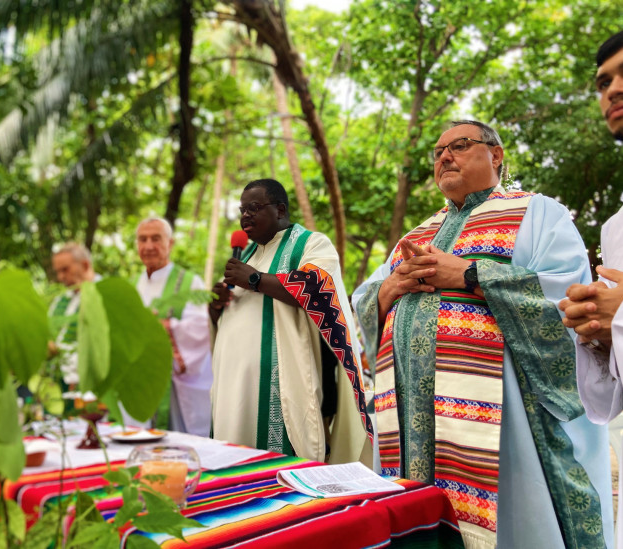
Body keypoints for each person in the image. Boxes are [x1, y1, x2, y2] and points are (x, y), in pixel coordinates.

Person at [352, 121, 613, 549]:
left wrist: (472, 273)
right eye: (437, 152)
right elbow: (364, 302)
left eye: (459, 145)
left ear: (496, 155)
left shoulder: (537, 212)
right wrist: (389, 289)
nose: (444, 157)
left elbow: (565, 294)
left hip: (504, 419)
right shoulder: (417, 234)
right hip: (412, 422)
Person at [209, 178, 374, 466]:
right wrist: (216, 307)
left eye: (254, 207)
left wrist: (254, 279)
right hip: (234, 388)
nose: (245, 215)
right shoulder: (247, 255)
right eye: (242, 209)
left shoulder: (311, 243)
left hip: (282, 386)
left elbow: (318, 287)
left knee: (280, 472)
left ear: (281, 210)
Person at [558, 29, 623, 549]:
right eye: (604, 82)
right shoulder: (615, 230)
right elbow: (607, 402)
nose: (614, 91)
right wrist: (600, 337)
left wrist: (620, 311)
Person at [135, 216, 212, 437]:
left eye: (156, 238)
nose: (148, 246)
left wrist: (164, 327)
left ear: (170, 243)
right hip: (139, 381)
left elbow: (201, 328)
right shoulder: (131, 286)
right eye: (143, 239)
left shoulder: (189, 283)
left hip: (176, 386)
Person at [49, 242, 99, 387]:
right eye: (57, 271)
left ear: (85, 265)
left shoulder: (102, 294)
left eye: (65, 270)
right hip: (58, 381)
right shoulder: (60, 300)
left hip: (88, 383)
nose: (60, 277)